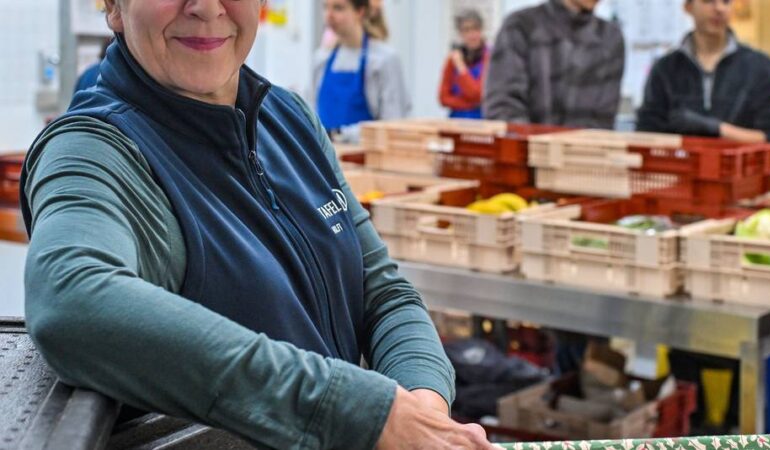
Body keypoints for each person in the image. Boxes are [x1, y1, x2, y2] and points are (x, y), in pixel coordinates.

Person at [21, 1, 493, 449]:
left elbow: (384, 294)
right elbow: (74, 300)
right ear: (113, 6)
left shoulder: (288, 119)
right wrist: (360, 412)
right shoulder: (94, 150)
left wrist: (421, 410)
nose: (206, 7)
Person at [637, 0, 770, 144]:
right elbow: (647, 133)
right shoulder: (665, 69)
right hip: (680, 166)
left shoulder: (759, 66)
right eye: (708, 1)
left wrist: (716, 128)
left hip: (742, 166)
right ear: (688, 7)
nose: (719, 8)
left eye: (726, 1)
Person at [483, 0, 625, 129]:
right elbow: (504, 106)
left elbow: (603, 118)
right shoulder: (521, 26)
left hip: (584, 153)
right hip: (525, 152)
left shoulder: (610, 38)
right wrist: (532, 149)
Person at [312, 0, 410, 142]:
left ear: (360, 11)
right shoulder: (321, 59)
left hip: (366, 159)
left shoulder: (383, 60)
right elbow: (311, 114)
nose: (329, 15)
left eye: (338, 8)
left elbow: (393, 126)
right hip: (322, 160)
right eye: (326, 7)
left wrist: (339, 134)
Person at [438, 9, 489, 119]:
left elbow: (477, 94)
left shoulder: (489, 57)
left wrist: (461, 68)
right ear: (460, 33)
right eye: (466, 30)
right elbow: (443, 98)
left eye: (475, 29)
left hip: (482, 121)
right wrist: (470, 104)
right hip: (456, 121)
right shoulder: (453, 59)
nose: (472, 35)